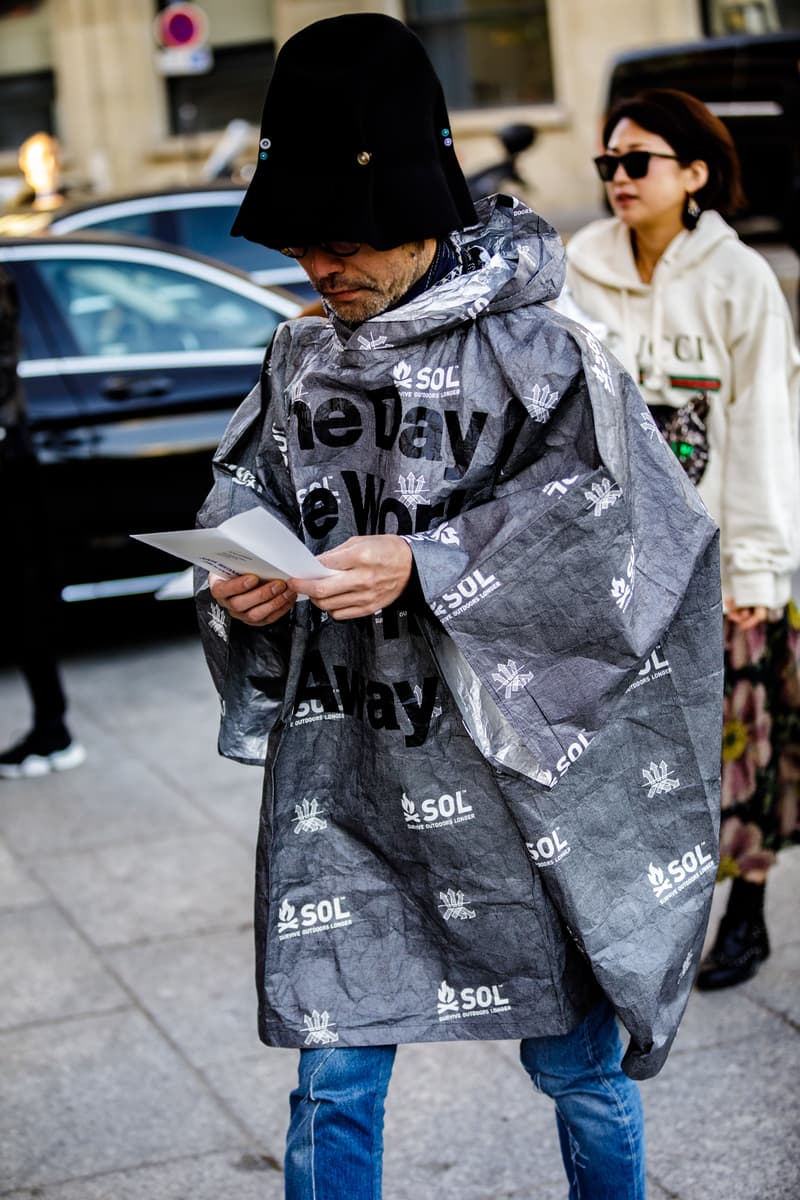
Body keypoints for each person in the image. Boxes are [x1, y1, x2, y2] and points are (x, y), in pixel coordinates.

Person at [195, 17, 723, 1199]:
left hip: (520, 784)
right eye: (299, 246)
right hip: (350, 777)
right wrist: (248, 589)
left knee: (578, 1063)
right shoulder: (296, 361)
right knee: (331, 1069)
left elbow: (633, 534)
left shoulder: (543, 355)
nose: (320, 270)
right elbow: (241, 500)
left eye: (345, 242)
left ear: (424, 216)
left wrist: (431, 564)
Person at [561, 88, 800, 990]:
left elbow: (765, 432)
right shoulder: (578, 267)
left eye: (638, 162)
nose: (618, 178)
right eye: (608, 165)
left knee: (740, 741)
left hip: (719, 561)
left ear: (694, 174)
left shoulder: (740, 280)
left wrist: (759, 569)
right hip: (616, 566)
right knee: (632, 748)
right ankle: (644, 909)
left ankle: (745, 912)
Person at [0, 266, 85, 778]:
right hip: (13, 452)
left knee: (22, 595)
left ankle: (53, 731)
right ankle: (52, 729)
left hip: (7, 462)